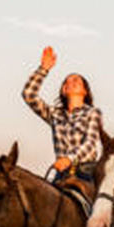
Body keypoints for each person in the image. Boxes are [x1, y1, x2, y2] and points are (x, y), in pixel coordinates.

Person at [22, 46, 103, 183]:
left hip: (87, 170)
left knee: (101, 195)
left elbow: (90, 143)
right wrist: (44, 69)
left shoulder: (92, 112)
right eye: (66, 82)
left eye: (76, 80)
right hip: (61, 172)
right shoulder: (55, 114)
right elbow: (29, 95)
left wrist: (69, 159)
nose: (70, 82)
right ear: (63, 91)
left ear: (85, 91)